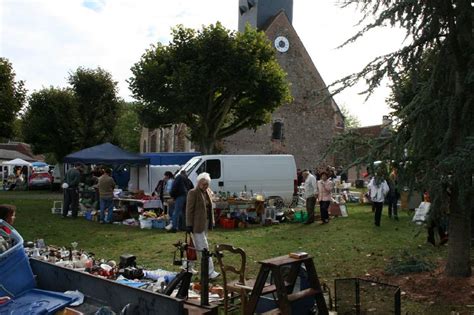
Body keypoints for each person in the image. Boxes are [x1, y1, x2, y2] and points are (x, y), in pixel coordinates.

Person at [185, 172, 219, 279]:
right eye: (203, 184)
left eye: (207, 184)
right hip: (196, 225)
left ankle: (188, 267)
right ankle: (209, 272)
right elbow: (189, 210)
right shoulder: (193, 192)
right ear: (198, 183)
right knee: (204, 247)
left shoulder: (207, 192)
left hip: (205, 223)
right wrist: (189, 224)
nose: (205, 186)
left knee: (194, 246)